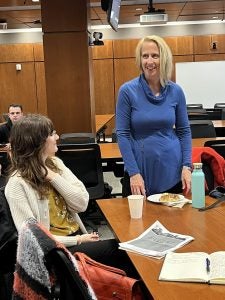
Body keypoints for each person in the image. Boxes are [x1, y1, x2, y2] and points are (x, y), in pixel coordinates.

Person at [5, 114, 138, 278]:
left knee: (128, 254)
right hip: (54, 251)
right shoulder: (17, 184)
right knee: (123, 253)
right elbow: (33, 238)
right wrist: (79, 240)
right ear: (37, 142)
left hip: (75, 238)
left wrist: (53, 177)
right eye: (52, 134)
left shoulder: (55, 164)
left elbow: (82, 203)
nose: (57, 137)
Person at [116, 35, 192, 198]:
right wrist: (133, 172)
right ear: (140, 59)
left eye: (155, 55)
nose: (149, 61)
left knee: (173, 221)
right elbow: (122, 134)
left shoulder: (176, 91)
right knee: (137, 222)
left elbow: (184, 131)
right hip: (139, 173)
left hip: (172, 171)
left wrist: (187, 166)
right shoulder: (127, 91)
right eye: (145, 56)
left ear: (163, 58)